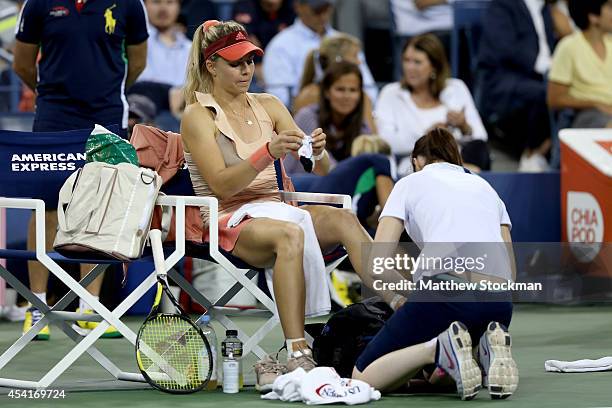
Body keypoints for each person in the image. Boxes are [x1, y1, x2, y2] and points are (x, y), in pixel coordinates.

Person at [180, 19, 376, 390]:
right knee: (289, 234)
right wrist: (266, 152)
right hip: (227, 219)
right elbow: (221, 186)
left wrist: (316, 151)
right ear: (211, 66)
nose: (246, 70)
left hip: (276, 207)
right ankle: (298, 348)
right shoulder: (197, 115)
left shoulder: (269, 104)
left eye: (250, 61)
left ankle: (403, 306)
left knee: (344, 221)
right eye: (236, 62)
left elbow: (316, 163)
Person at [12, 0, 148, 340]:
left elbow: (138, 61)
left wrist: (105, 90)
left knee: (100, 208)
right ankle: (37, 306)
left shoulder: (131, 4)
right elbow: (22, 64)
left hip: (106, 114)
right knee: (46, 208)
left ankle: (90, 307)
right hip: (54, 115)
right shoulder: (38, 4)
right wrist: (53, 93)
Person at [352, 128, 518, 400]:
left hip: (444, 294)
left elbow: (376, 264)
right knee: (440, 372)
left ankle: (438, 349)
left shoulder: (408, 183)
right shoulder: (486, 187)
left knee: (363, 376)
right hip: (500, 304)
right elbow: (510, 270)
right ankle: (484, 347)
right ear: (456, 159)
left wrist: (402, 296)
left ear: (417, 160)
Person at [375, 34, 489, 175]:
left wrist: (464, 126)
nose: (410, 67)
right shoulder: (391, 93)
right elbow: (384, 142)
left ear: (434, 66)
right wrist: (428, 137)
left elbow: (480, 137)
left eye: (417, 62)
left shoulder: (456, 88)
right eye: (406, 60)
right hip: (415, 168)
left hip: (458, 166)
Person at [477, 0, 560, 171]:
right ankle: (533, 153)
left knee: (568, 94)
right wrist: (549, 67)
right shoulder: (502, 5)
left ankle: (546, 153)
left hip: (540, 76)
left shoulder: (546, 9)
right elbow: (505, 48)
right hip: (505, 78)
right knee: (548, 94)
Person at [262, 0, 378, 107]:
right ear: (298, 7)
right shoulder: (281, 45)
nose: (323, 14)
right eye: (317, 9)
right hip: (299, 116)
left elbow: (370, 90)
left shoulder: (346, 43)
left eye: (326, 8)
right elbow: (279, 100)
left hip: (352, 115)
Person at [285, 61, 373, 174]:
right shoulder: (307, 116)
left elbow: (372, 156)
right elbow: (325, 168)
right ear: (327, 92)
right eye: (340, 89)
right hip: (300, 184)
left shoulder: (361, 126)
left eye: (353, 90)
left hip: (338, 186)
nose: (347, 96)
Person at [293, 33, 376, 133]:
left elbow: (370, 139)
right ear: (338, 60)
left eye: (352, 90)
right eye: (355, 56)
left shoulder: (362, 96)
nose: (359, 62)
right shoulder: (310, 96)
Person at [548, 0, 612, 129]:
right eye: (610, 7)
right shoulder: (569, 46)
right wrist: (595, 103)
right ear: (593, 17)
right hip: (587, 115)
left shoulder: (610, 44)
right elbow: (554, 99)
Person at [233, 0, 296, 90]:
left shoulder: (293, 6)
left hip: (287, 61)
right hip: (256, 64)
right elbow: (245, 43)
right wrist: (259, 65)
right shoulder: (245, 6)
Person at [138, 0, 192, 88]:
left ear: (179, 6)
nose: (163, 8)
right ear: (143, 5)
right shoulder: (134, 42)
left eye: (170, 2)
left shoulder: (191, 49)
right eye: (156, 1)